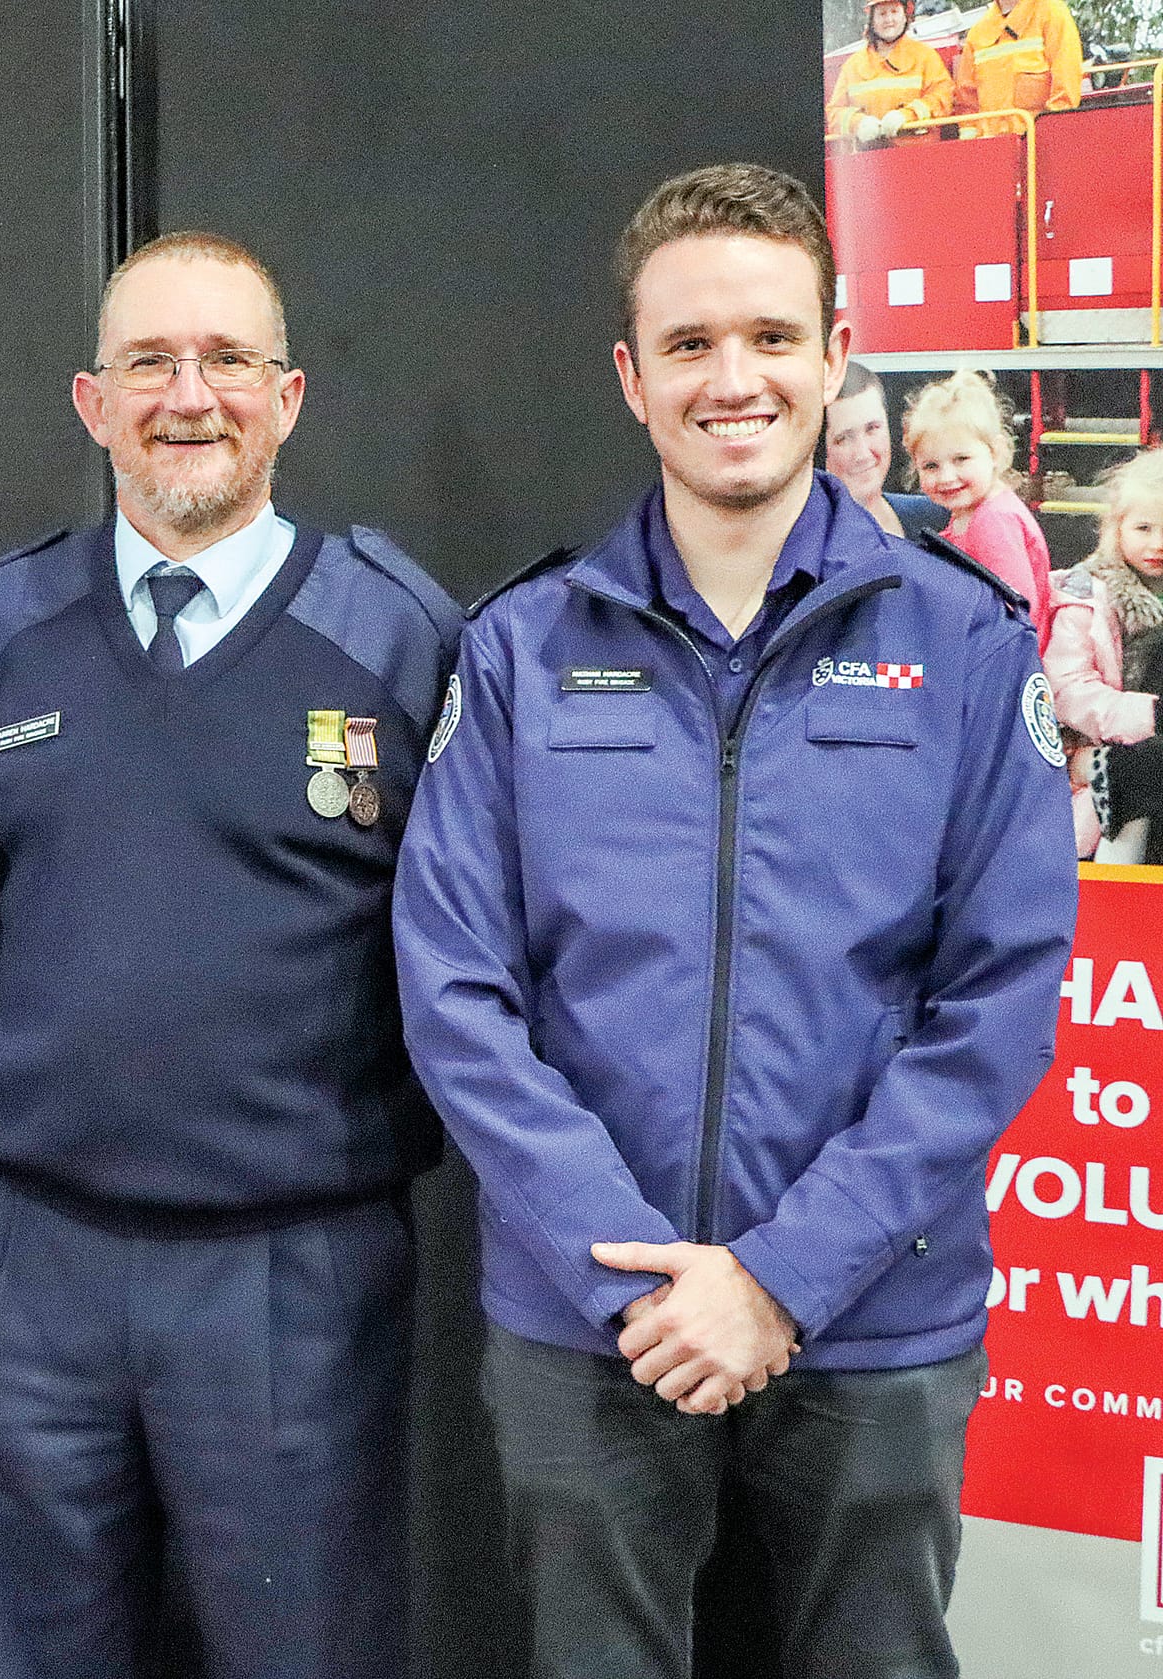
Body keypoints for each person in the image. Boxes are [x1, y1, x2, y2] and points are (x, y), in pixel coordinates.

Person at [393, 163, 1077, 1679]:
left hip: (874, 1316)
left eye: (772, 335)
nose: (735, 378)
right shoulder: (522, 648)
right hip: (595, 1331)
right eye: (691, 344)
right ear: (633, 378)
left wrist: (780, 1274)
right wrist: (632, 1277)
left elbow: (1001, 996)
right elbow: (454, 987)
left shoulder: (962, 643)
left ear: (837, 356)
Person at [0, 230, 461, 1679]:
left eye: (227, 359)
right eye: (148, 361)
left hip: (293, 1268)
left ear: (287, 398)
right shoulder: (0, 629)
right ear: (92, 403)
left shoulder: (401, 638)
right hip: (37, 1266)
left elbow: (461, 943)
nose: (190, 394)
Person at [1046, 446, 1163, 858]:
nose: (1157, 544)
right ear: (1117, 528)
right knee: (1125, 815)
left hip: (1149, 751)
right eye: (1144, 528)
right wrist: (1148, 715)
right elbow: (1068, 688)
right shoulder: (1088, 594)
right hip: (1096, 753)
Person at [905, 368, 1054, 648]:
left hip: (1002, 666)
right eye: (931, 466)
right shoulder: (970, 511)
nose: (947, 477)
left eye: (961, 459)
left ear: (995, 453)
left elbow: (1018, 610)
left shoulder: (992, 520)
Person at [824, 360, 944, 537]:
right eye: (844, 438)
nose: (863, 454)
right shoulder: (809, 547)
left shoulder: (938, 517)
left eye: (872, 428)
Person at [826, 0, 954, 144]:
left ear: (905, 16)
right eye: (882, 14)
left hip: (919, 157)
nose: (889, 20)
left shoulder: (926, 57)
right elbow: (834, 113)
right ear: (872, 20)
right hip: (869, 160)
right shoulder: (853, 65)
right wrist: (857, 123)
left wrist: (907, 115)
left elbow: (943, 97)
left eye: (894, 12)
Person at [954, 0, 1084, 121]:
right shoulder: (978, 33)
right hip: (994, 141)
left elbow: (1066, 80)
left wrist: (1052, 128)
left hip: (1039, 138)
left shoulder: (1051, 12)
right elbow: (967, 102)